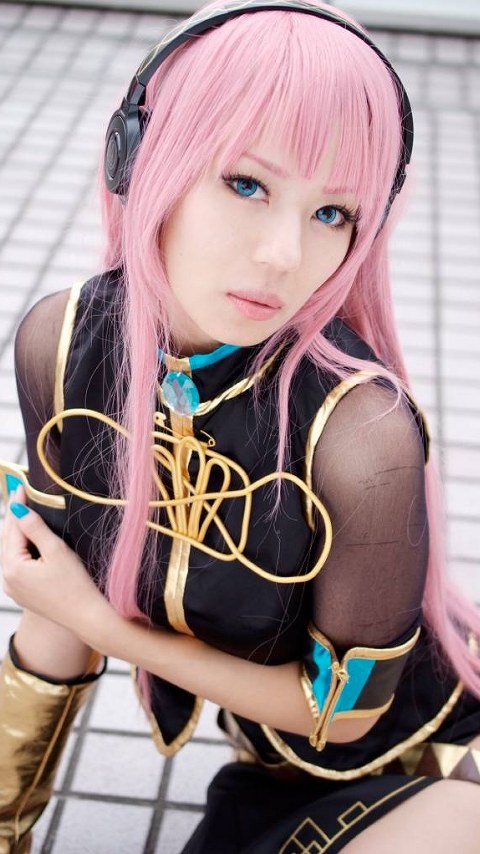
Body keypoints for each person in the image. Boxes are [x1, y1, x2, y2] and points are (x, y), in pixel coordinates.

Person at [1, 1, 479, 851]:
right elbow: (55, 602)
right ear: (138, 156)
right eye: (247, 184)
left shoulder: (362, 435)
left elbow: (342, 713)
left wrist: (106, 627)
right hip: (277, 779)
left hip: (447, 773)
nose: (283, 256)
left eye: (332, 213)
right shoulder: (64, 341)